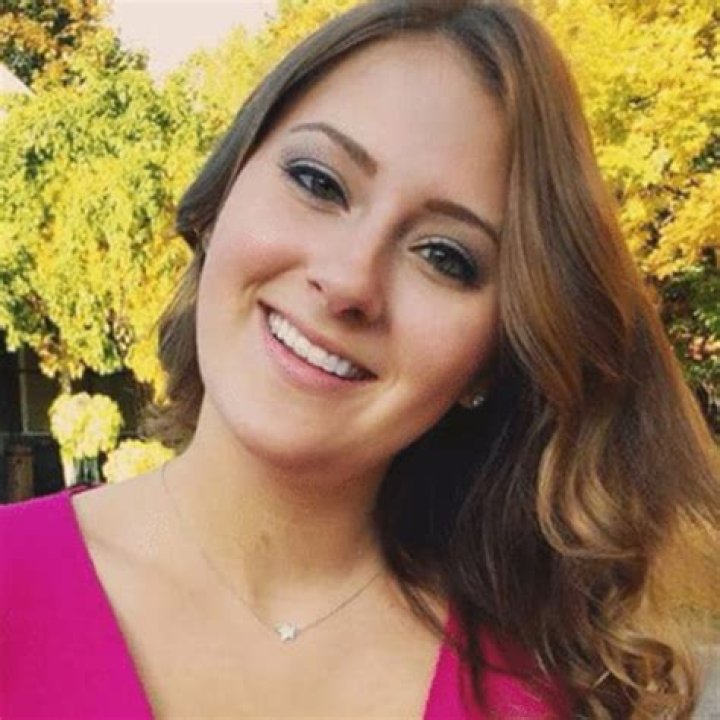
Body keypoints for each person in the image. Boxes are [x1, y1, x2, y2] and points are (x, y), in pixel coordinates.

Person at [1, 0, 718, 717]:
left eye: (445, 256)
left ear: (491, 358)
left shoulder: (546, 693)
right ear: (221, 198)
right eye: (319, 182)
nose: (349, 282)